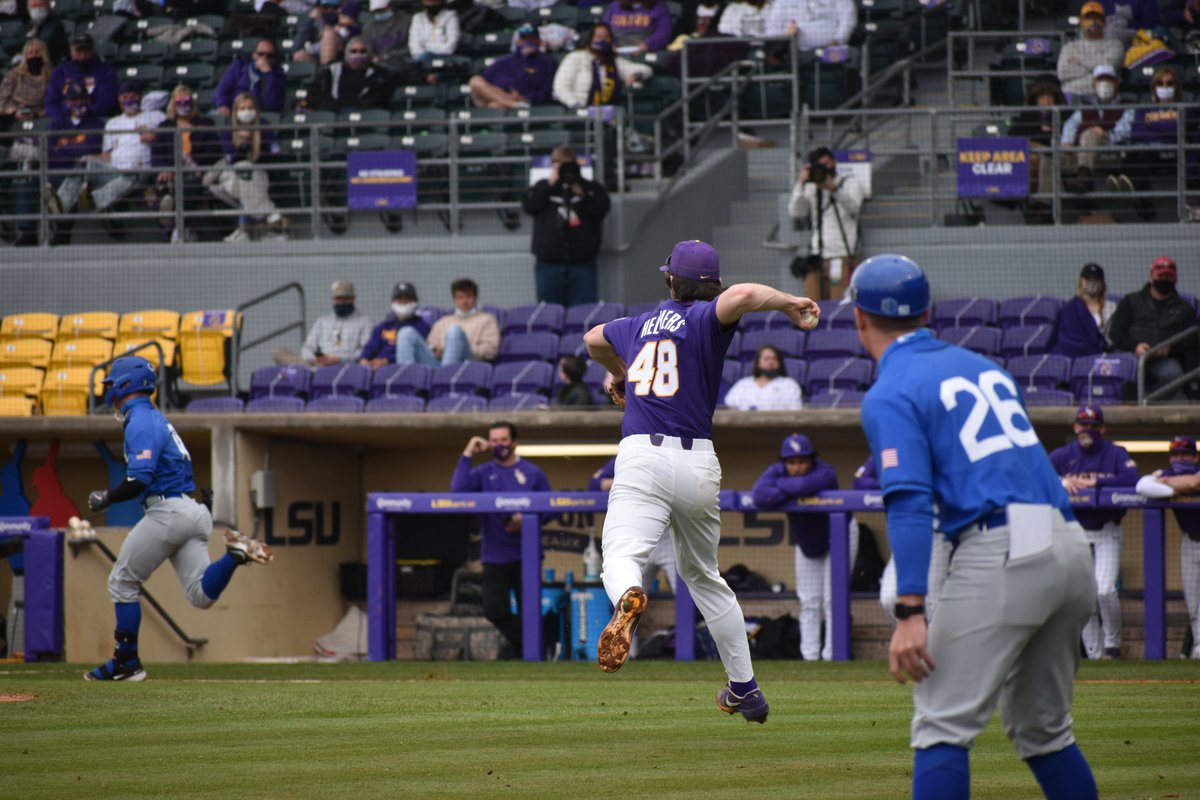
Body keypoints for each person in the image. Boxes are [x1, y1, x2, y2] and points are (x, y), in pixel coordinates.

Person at [850, 253, 1098, 799]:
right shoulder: (986, 367)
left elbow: (910, 500)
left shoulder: (890, 391)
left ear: (859, 319)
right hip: (1067, 540)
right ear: (927, 312)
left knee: (941, 723)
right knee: (1043, 729)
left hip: (1002, 547)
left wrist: (910, 609)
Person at [582, 239, 821, 723]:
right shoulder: (704, 318)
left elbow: (591, 338)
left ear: (669, 278)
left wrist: (620, 373)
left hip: (642, 456)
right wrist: (790, 302)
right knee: (705, 578)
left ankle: (629, 595)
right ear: (711, 285)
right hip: (697, 463)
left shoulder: (636, 325)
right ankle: (745, 689)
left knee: (623, 555)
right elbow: (747, 293)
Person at [83, 356, 273, 681]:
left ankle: (127, 662)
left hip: (168, 511)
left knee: (122, 581)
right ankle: (233, 557)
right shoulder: (155, 417)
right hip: (192, 510)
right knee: (200, 596)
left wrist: (107, 498)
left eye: (113, 383)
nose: (109, 390)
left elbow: (140, 478)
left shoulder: (140, 419)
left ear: (126, 383)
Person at [751, 433, 856, 661]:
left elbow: (807, 484)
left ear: (811, 460)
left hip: (839, 535)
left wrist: (780, 487)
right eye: (791, 462)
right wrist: (791, 487)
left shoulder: (825, 471)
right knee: (808, 600)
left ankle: (833, 657)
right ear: (784, 462)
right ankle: (809, 657)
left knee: (832, 599)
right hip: (808, 541)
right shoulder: (776, 471)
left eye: (802, 461)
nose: (797, 467)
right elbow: (759, 495)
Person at [451, 421, 551, 655]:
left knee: (530, 610)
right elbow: (457, 491)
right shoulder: (483, 472)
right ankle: (534, 646)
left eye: (503, 440)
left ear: (514, 442)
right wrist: (468, 452)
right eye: (494, 440)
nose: (499, 444)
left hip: (527, 555)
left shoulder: (532, 472)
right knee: (494, 609)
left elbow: (551, 507)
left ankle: (530, 655)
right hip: (495, 555)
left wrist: (525, 518)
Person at [1048, 404, 1139, 660]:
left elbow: (1133, 479)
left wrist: (1095, 482)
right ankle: (1094, 653)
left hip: (1107, 531)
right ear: (1075, 427)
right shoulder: (1063, 455)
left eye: (1093, 425)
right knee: (1082, 594)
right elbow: (1037, 475)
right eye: (1082, 425)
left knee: (1104, 589)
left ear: (1102, 428)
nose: (1087, 429)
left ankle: (1112, 646)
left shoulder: (1115, 453)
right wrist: (1061, 482)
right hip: (1075, 532)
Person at [588, 454, 675, 660]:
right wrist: (627, 481)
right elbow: (593, 485)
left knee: (689, 597)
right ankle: (627, 653)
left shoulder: (672, 453)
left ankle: (692, 649)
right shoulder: (631, 451)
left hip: (670, 538)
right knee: (626, 597)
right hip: (639, 537)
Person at [855, 455, 952, 629]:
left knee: (932, 603)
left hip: (935, 533)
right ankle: (911, 647)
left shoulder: (935, 442)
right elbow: (860, 482)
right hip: (905, 535)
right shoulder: (891, 448)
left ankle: (936, 654)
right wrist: (895, 485)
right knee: (888, 598)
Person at [1135, 434, 1200, 659]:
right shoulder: (1168, 473)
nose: (1180, 458)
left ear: (1195, 457)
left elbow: (1195, 482)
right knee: (1193, 603)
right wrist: (1177, 487)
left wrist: (1168, 485)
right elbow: (1143, 486)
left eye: (1185, 454)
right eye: (1175, 454)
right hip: (1190, 543)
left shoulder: (1171, 476)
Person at [522, 145, 612, 307]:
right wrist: (549, 184)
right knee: (549, 313)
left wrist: (581, 192)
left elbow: (602, 208)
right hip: (548, 265)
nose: (565, 170)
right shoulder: (542, 187)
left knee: (583, 314)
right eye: (559, 165)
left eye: (568, 165)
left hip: (582, 265)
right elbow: (529, 206)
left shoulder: (590, 188)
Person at [1109, 255, 1198, 401]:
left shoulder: (1184, 308)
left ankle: (1149, 404)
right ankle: (1129, 405)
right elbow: (1115, 332)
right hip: (1133, 354)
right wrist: (1135, 346)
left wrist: (1170, 348)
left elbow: (1193, 337)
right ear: (1151, 277)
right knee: (1124, 371)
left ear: (1175, 279)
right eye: (1161, 275)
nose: (1165, 280)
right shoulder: (1131, 300)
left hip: (1164, 358)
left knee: (1173, 374)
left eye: (1169, 277)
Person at [209, 91, 289, 242]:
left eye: (250, 107)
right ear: (236, 111)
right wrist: (241, 144)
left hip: (259, 174)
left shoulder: (264, 127)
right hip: (233, 173)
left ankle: (243, 231)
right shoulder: (228, 130)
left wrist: (252, 141)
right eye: (243, 108)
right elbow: (230, 159)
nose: (247, 112)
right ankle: (270, 215)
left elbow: (273, 155)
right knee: (239, 177)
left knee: (246, 176)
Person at [787, 146, 864, 301]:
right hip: (817, 254)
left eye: (827, 163)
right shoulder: (811, 187)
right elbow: (796, 212)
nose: (824, 168)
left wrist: (834, 189)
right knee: (811, 304)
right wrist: (800, 185)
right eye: (819, 166)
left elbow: (854, 207)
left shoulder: (849, 183)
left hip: (841, 253)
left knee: (839, 302)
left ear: (834, 162)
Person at [151, 84, 223, 243]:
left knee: (187, 185)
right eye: (179, 102)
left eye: (187, 101)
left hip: (196, 170)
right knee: (163, 185)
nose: (184, 106)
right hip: (172, 170)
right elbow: (157, 154)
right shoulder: (165, 127)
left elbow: (214, 151)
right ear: (173, 105)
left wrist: (192, 162)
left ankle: (178, 227)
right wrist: (165, 169)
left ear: (193, 103)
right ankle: (174, 226)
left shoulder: (205, 123)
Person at [81, 80, 165, 215]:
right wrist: (92, 158)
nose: (129, 101)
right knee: (84, 163)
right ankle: (59, 205)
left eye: (133, 97)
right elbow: (107, 155)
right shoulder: (112, 123)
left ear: (140, 97)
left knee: (131, 176)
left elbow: (169, 141)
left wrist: (154, 137)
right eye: (125, 97)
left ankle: (94, 202)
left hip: (141, 169)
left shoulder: (157, 116)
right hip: (115, 170)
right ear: (119, 99)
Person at [1061, 64, 1135, 194]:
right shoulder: (1086, 106)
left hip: (1112, 149)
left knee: (1089, 134)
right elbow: (1071, 124)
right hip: (1084, 152)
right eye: (1101, 80)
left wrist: (1107, 134)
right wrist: (1067, 142)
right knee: (1051, 156)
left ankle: (1084, 178)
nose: (1105, 84)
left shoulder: (1127, 105)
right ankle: (1043, 205)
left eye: (1109, 80)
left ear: (1116, 84)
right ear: (1094, 85)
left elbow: (1127, 128)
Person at [551, 22, 653, 110]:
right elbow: (560, 87)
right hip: (577, 110)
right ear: (591, 39)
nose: (602, 40)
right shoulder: (575, 57)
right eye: (598, 37)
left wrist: (636, 75)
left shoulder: (614, 61)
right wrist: (576, 105)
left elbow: (646, 69)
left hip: (605, 111)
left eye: (606, 37)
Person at [275, 280, 373, 366]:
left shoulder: (364, 322)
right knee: (279, 352)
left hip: (344, 365)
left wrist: (339, 359)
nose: (341, 302)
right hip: (318, 365)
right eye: (338, 299)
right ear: (333, 299)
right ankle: (311, 370)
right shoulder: (322, 322)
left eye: (345, 298)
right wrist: (315, 359)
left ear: (353, 299)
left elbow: (366, 352)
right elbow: (307, 348)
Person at [468, 23, 558, 110]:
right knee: (475, 80)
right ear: (518, 41)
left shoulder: (547, 62)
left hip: (525, 101)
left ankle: (513, 104)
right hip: (500, 95)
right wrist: (502, 94)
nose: (528, 41)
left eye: (532, 38)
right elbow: (484, 84)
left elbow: (547, 91)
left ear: (538, 41)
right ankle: (513, 104)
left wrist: (525, 97)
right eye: (524, 38)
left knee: (495, 106)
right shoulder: (504, 61)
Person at [1007, 81, 1066, 207]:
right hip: (1032, 151)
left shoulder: (1063, 116)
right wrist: (1040, 130)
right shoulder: (1027, 116)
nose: (1046, 100)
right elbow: (1013, 134)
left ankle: (1036, 203)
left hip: (1055, 154)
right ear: (1036, 99)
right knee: (1029, 153)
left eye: (1050, 97)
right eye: (1042, 97)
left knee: (1038, 158)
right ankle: (1027, 201)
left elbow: (1060, 137)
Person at [418, 277, 501, 365]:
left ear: (475, 298)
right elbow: (430, 344)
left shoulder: (487, 319)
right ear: (455, 300)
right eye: (460, 297)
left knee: (455, 331)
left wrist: (459, 348)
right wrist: (436, 350)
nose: (464, 301)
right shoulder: (443, 321)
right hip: (438, 362)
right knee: (407, 333)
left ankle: (445, 374)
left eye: (468, 297)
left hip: (469, 363)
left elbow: (490, 349)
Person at [1056, 2, 1124, 101]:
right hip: (1072, 95)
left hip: (1103, 96)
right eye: (1088, 18)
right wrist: (1094, 69)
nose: (1093, 22)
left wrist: (1078, 61)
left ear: (1104, 22)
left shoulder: (1116, 45)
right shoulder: (1069, 47)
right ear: (1081, 22)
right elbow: (1062, 73)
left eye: (1097, 18)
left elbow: (1107, 68)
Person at [45, 32, 119, 120]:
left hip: (94, 122)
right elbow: (51, 102)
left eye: (86, 51)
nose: (83, 56)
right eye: (79, 51)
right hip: (64, 122)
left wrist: (83, 118)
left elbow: (105, 102)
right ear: (71, 50)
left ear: (93, 50)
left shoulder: (105, 71)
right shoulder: (60, 71)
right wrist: (66, 119)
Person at [308, 37, 393, 112]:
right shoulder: (332, 70)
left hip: (363, 115)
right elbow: (315, 91)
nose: (358, 55)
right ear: (347, 53)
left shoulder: (378, 74)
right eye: (354, 51)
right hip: (335, 113)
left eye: (362, 51)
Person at [359, 281, 431, 369]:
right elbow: (370, 348)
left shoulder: (422, 327)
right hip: (377, 370)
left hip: (402, 368)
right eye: (400, 299)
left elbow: (416, 354)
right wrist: (365, 359)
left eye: (407, 299)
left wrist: (387, 361)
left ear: (414, 302)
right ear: (394, 302)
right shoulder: (384, 327)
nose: (403, 303)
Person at [1050, 262, 1115, 358]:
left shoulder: (1112, 308)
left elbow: (1112, 339)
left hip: (1101, 357)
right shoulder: (1069, 309)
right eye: (1088, 279)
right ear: (1081, 281)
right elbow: (1065, 337)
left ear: (1102, 283)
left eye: (1096, 280)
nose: (1092, 283)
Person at [213, 37, 286, 117]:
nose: (264, 58)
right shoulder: (239, 66)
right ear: (254, 55)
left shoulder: (277, 74)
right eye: (261, 54)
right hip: (233, 111)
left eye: (269, 55)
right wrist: (222, 104)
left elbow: (272, 104)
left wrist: (269, 75)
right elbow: (222, 88)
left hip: (258, 115)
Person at [722, 343, 803, 410]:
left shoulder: (789, 385)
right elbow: (730, 407)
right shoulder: (743, 384)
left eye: (775, 359)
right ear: (758, 363)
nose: (771, 362)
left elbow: (796, 412)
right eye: (766, 359)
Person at [765, 0, 856, 51]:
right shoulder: (782, 2)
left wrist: (838, 40)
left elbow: (848, 19)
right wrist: (785, 37)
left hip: (832, 49)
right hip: (795, 54)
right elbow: (773, 27)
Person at [0, 39, 51, 127]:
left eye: (37, 53)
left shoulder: (52, 77)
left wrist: (37, 114)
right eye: (30, 53)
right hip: (13, 116)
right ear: (25, 56)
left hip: (40, 118)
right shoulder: (14, 75)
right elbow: (3, 100)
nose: (34, 56)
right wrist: (14, 112)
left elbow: (53, 102)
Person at [292, 0, 360, 65]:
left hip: (339, 57)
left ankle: (325, 73)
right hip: (316, 57)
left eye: (334, 7)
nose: (330, 10)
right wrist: (310, 21)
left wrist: (334, 32)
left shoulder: (343, 23)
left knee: (329, 35)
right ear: (320, 8)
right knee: (299, 55)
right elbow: (297, 44)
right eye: (326, 7)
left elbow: (352, 41)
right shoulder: (315, 22)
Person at [602, 0, 673, 55]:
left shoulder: (658, 8)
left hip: (646, 53)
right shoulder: (615, 7)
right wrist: (611, 44)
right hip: (617, 53)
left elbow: (664, 32)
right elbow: (604, 29)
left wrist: (648, 45)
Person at [361, 0, 411, 75]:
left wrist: (392, 55)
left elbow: (411, 47)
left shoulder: (406, 21)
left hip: (402, 62)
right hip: (379, 66)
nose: (379, 13)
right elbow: (368, 52)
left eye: (381, 10)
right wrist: (375, 58)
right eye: (376, 11)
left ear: (390, 6)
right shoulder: (368, 28)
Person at [15, 0, 70, 64]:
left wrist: (24, 42)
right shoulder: (26, 26)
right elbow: (7, 44)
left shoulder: (56, 25)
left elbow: (43, 44)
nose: (37, 9)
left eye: (41, 6)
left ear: (48, 7)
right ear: (28, 9)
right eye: (34, 6)